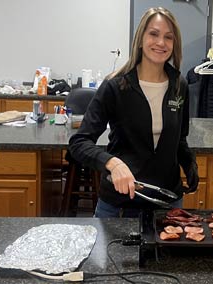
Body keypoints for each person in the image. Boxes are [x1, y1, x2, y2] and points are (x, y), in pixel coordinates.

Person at [68, 7, 198, 218]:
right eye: (153, 34)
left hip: (167, 203)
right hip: (120, 204)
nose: (161, 43)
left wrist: (189, 163)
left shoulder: (179, 85)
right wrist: (112, 163)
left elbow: (179, 139)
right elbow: (79, 142)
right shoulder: (116, 85)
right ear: (140, 39)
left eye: (168, 37)